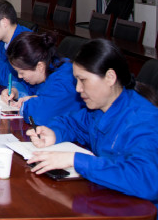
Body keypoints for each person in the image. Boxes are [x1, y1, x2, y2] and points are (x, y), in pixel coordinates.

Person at [27, 39, 158, 207]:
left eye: (83, 80)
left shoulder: (144, 120)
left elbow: (145, 179)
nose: (78, 89)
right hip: (109, 198)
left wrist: (76, 161)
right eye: (76, 81)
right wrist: (54, 133)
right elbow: (72, 123)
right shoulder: (99, 109)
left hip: (137, 209)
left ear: (110, 77)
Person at [0, 31, 84, 124]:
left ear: (40, 66)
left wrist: (25, 105)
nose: (19, 76)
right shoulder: (47, 67)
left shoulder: (65, 79)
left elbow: (40, 115)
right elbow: (29, 87)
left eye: (22, 72)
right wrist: (15, 91)